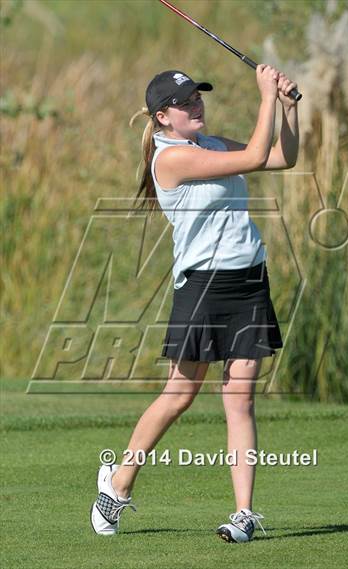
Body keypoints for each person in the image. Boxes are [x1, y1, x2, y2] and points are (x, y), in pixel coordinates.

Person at [91, 65, 299, 543]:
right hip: (201, 287)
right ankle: (118, 483)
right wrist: (265, 94)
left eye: (198, 98)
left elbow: (280, 158)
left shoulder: (211, 144)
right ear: (163, 117)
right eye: (185, 103)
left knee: (240, 399)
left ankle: (244, 514)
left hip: (248, 283)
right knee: (179, 395)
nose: (196, 105)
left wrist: (287, 108)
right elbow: (252, 155)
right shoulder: (170, 160)